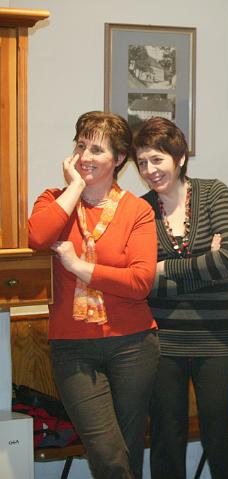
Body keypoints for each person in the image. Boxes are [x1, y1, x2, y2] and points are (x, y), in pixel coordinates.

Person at [28, 111, 159, 478]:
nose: (85, 156)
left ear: (119, 159)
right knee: (108, 454)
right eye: (81, 146)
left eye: (97, 150)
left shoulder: (137, 210)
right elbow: (38, 237)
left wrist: (79, 266)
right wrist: (73, 188)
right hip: (72, 348)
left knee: (128, 452)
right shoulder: (54, 200)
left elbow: (140, 282)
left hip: (133, 345)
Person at [132, 117, 228, 478]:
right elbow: (141, 282)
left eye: (157, 159)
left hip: (218, 338)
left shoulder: (214, 193)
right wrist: (204, 267)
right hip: (163, 341)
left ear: (179, 158)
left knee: (221, 435)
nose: (150, 170)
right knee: (166, 436)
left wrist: (164, 268)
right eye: (142, 162)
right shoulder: (140, 210)